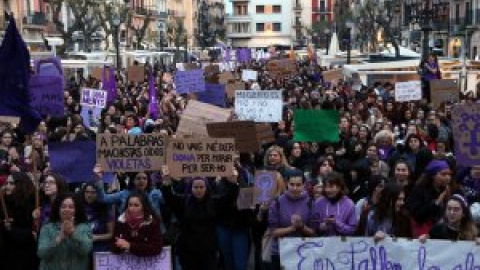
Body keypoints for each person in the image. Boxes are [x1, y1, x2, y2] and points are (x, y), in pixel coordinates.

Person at [161, 167, 239, 270]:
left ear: (206, 188)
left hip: (208, 251)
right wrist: (166, 182)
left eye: (201, 187)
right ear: (191, 188)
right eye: (196, 187)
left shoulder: (213, 202)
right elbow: (169, 198)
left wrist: (233, 183)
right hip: (187, 251)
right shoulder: (183, 202)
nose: (199, 190)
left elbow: (229, 198)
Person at [266, 170, 317, 270]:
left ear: (303, 185)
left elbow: (313, 232)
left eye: (298, 185)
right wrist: (292, 228)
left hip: (303, 252)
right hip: (280, 252)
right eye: (292, 184)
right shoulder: (277, 202)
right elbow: (273, 232)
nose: (295, 188)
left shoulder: (311, 203)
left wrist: (301, 226)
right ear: (286, 184)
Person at [37, 194, 92, 270]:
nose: (67, 209)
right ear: (58, 209)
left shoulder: (84, 227)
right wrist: (59, 238)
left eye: (71, 207)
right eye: (63, 206)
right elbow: (42, 254)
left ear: (77, 209)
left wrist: (73, 234)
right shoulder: (47, 227)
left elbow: (85, 251)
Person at [406, 159, 457, 237]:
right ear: (433, 176)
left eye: (449, 174)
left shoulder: (454, 188)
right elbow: (417, 215)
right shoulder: (419, 190)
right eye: (443, 174)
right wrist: (436, 203)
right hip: (425, 234)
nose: (448, 177)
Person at [0, 172, 38, 270]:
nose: (7, 186)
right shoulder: (4, 202)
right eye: (7, 183)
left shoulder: (32, 204)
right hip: (7, 253)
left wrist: (11, 229)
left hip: (26, 254)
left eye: (11, 183)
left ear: (21, 185)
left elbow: (32, 233)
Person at [111, 192, 163, 256]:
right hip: (124, 264)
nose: (132, 208)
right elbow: (113, 246)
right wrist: (119, 245)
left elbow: (156, 248)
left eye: (136, 205)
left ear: (144, 206)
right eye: (130, 205)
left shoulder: (152, 222)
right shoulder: (121, 221)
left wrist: (130, 246)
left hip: (148, 264)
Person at [314, 172, 358, 236]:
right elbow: (313, 228)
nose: (327, 190)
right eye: (326, 187)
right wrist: (322, 227)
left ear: (339, 187)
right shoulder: (318, 203)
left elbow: (352, 230)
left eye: (331, 187)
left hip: (342, 243)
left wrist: (336, 223)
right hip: (322, 244)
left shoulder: (349, 204)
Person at [80, 183, 114, 252]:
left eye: (93, 192)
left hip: (100, 251)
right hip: (82, 251)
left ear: (98, 194)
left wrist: (96, 237)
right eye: (87, 192)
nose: (89, 195)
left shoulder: (105, 211)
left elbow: (111, 234)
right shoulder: (78, 209)